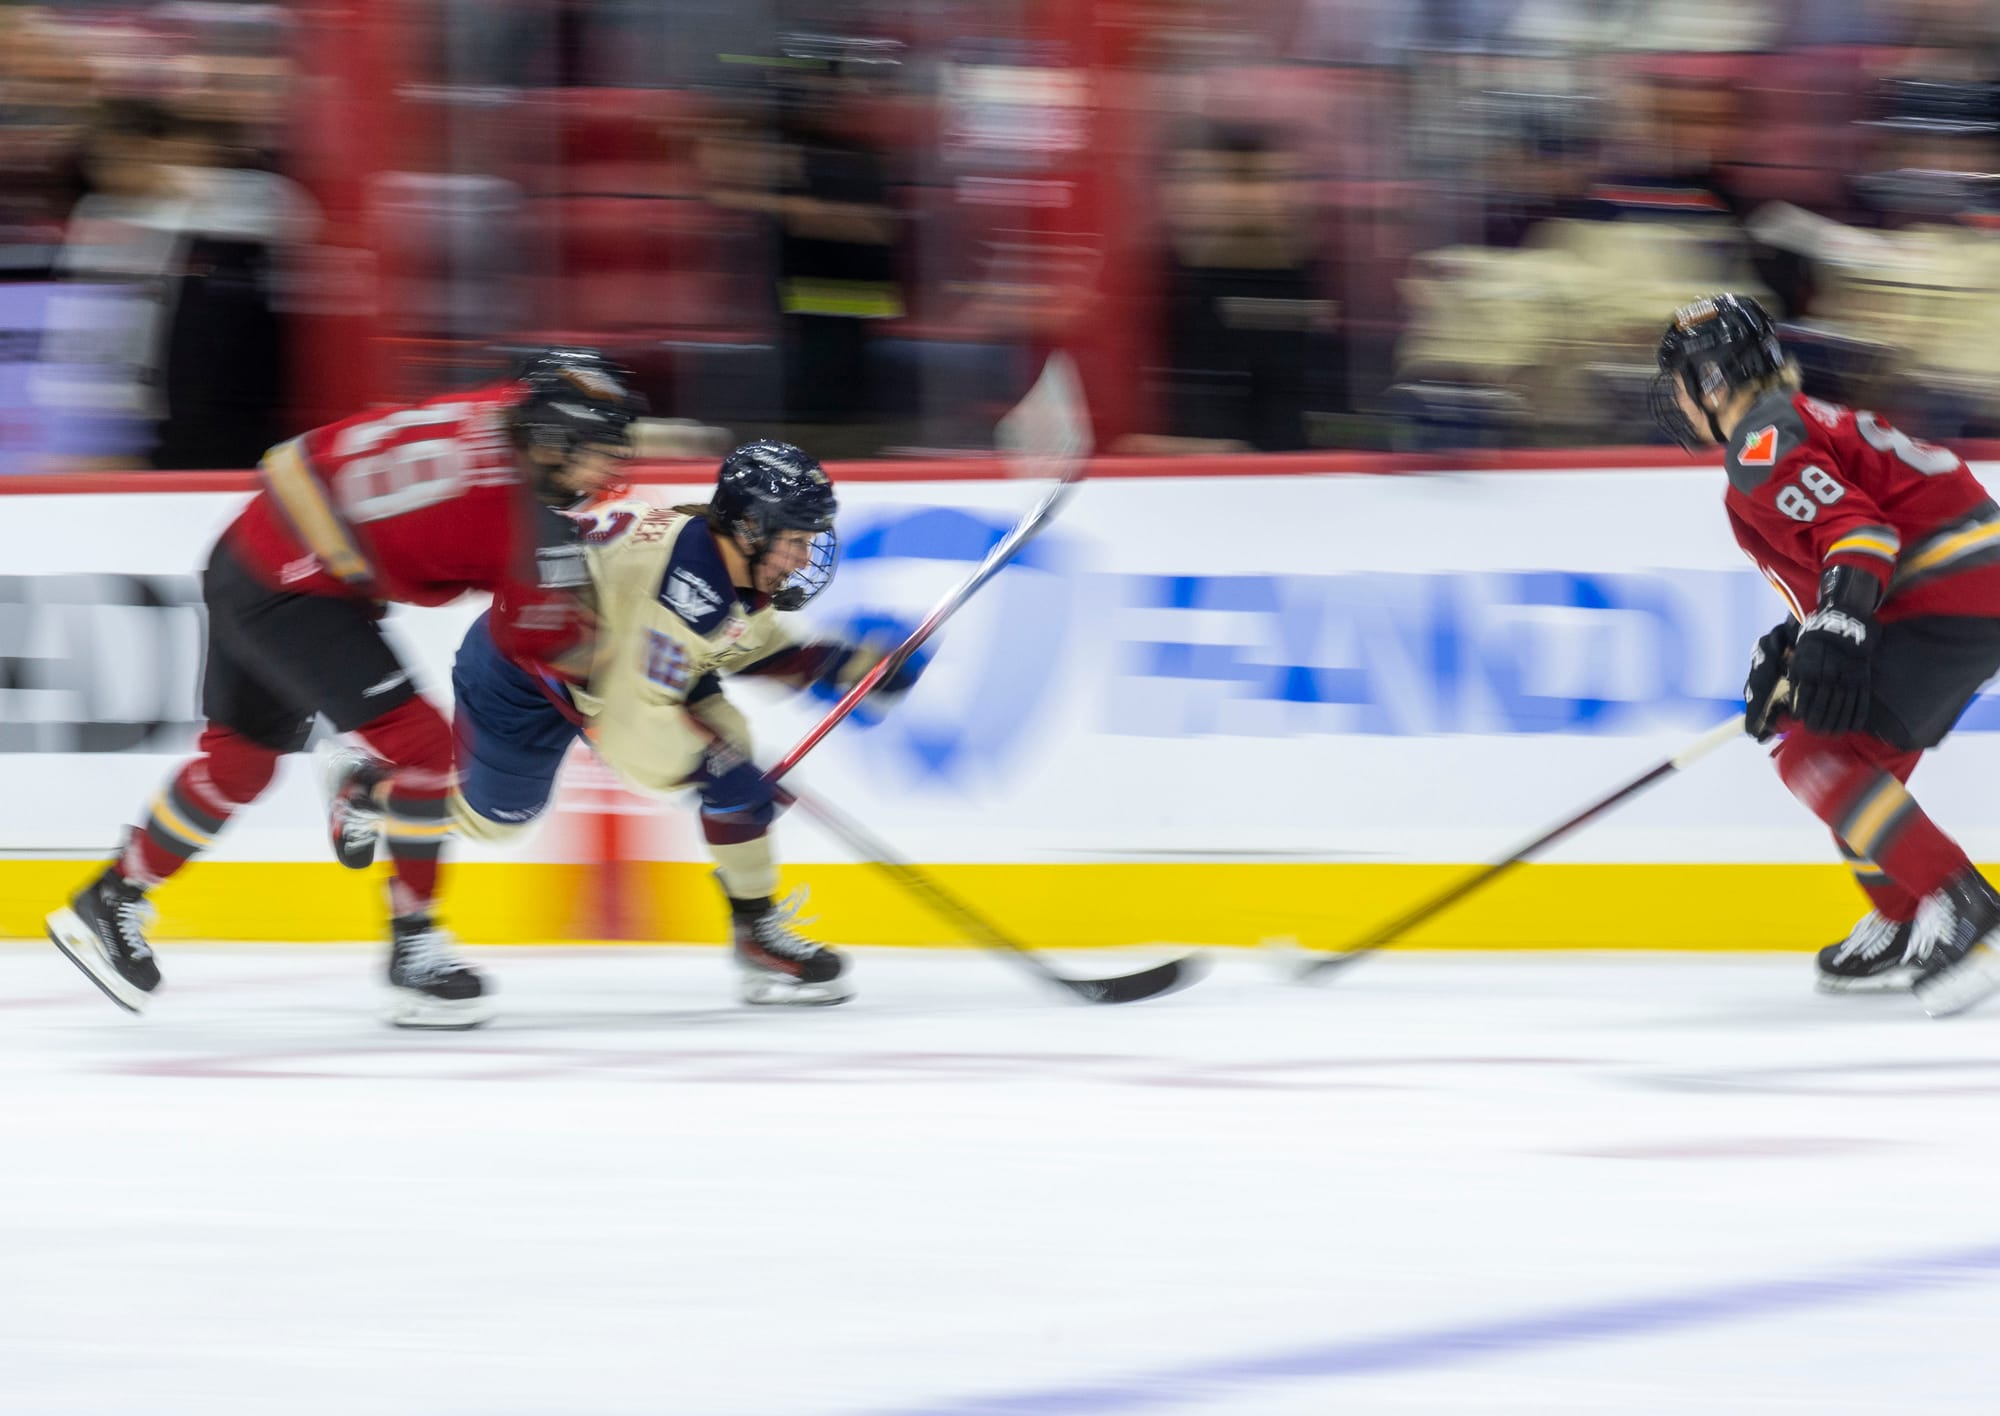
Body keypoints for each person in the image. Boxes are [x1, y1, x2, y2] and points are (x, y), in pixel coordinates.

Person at [44, 349, 643, 1028]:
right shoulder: (518, 521)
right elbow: (547, 644)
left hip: (248, 553)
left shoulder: (503, 409)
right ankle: (413, 949)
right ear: (551, 439)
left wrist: (353, 561)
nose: (607, 469)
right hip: (295, 589)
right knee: (427, 750)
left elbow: (293, 459)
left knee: (239, 765)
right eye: (596, 450)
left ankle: (113, 896)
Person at [324, 440, 925, 1007]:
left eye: (809, 539)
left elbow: (732, 642)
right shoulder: (678, 591)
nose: (803, 557)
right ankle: (371, 788)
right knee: (495, 822)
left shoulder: (716, 566)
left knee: (729, 753)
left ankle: (756, 930)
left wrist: (839, 664)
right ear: (749, 527)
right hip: (522, 674)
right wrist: (717, 771)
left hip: (610, 659)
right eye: (794, 539)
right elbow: (632, 729)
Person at [1652, 293, 2000, 1017]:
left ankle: (1961, 904)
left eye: (1684, 383)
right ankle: (1905, 917)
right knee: (1843, 745)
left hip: (1946, 592)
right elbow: (1839, 556)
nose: (1680, 402)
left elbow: (1861, 536)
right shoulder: (1795, 425)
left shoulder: (1760, 444)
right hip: (1958, 589)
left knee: (1811, 754)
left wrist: (1836, 625)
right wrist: (1796, 639)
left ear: (1712, 382)